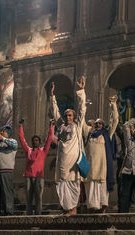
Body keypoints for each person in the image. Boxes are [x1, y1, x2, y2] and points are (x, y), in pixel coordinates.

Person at [50, 76, 86, 216]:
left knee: (73, 184)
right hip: (62, 161)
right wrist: (52, 96)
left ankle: (73, 209)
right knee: (62, 184)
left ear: (74, 116)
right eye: (66, 116)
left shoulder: (77, 126)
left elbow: (82, 110)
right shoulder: (61, 126)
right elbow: (55, 112)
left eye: (71, 115)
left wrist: (81, 91)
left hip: (73, 161)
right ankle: (66, 208)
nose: (68, 118)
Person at [83, 95, 119, 213]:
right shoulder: (89, 134)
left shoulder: (106, 135)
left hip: (103, 167)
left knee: (102, 187)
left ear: (103, 125)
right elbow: (81, 124)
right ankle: (92, 208)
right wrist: (84, 107)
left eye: (100, 123)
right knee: (91, 186)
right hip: (91, 166)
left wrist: (113, 105)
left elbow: (115, 121)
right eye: (96, 123)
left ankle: (103, 208)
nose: (98, 124)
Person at [18, 119, 54, 215]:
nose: (35, 142)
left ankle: (38, 214)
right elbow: (22, 139)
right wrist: (20, 126)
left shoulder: (43, 151)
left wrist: (51, 127)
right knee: (29, 197)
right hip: (28, 177)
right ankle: (29, 214)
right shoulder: (28, 150)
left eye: (37, 140)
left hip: (38, 177)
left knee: (38, 197)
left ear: (39, 142)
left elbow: (49, 139)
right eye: (33, 140)